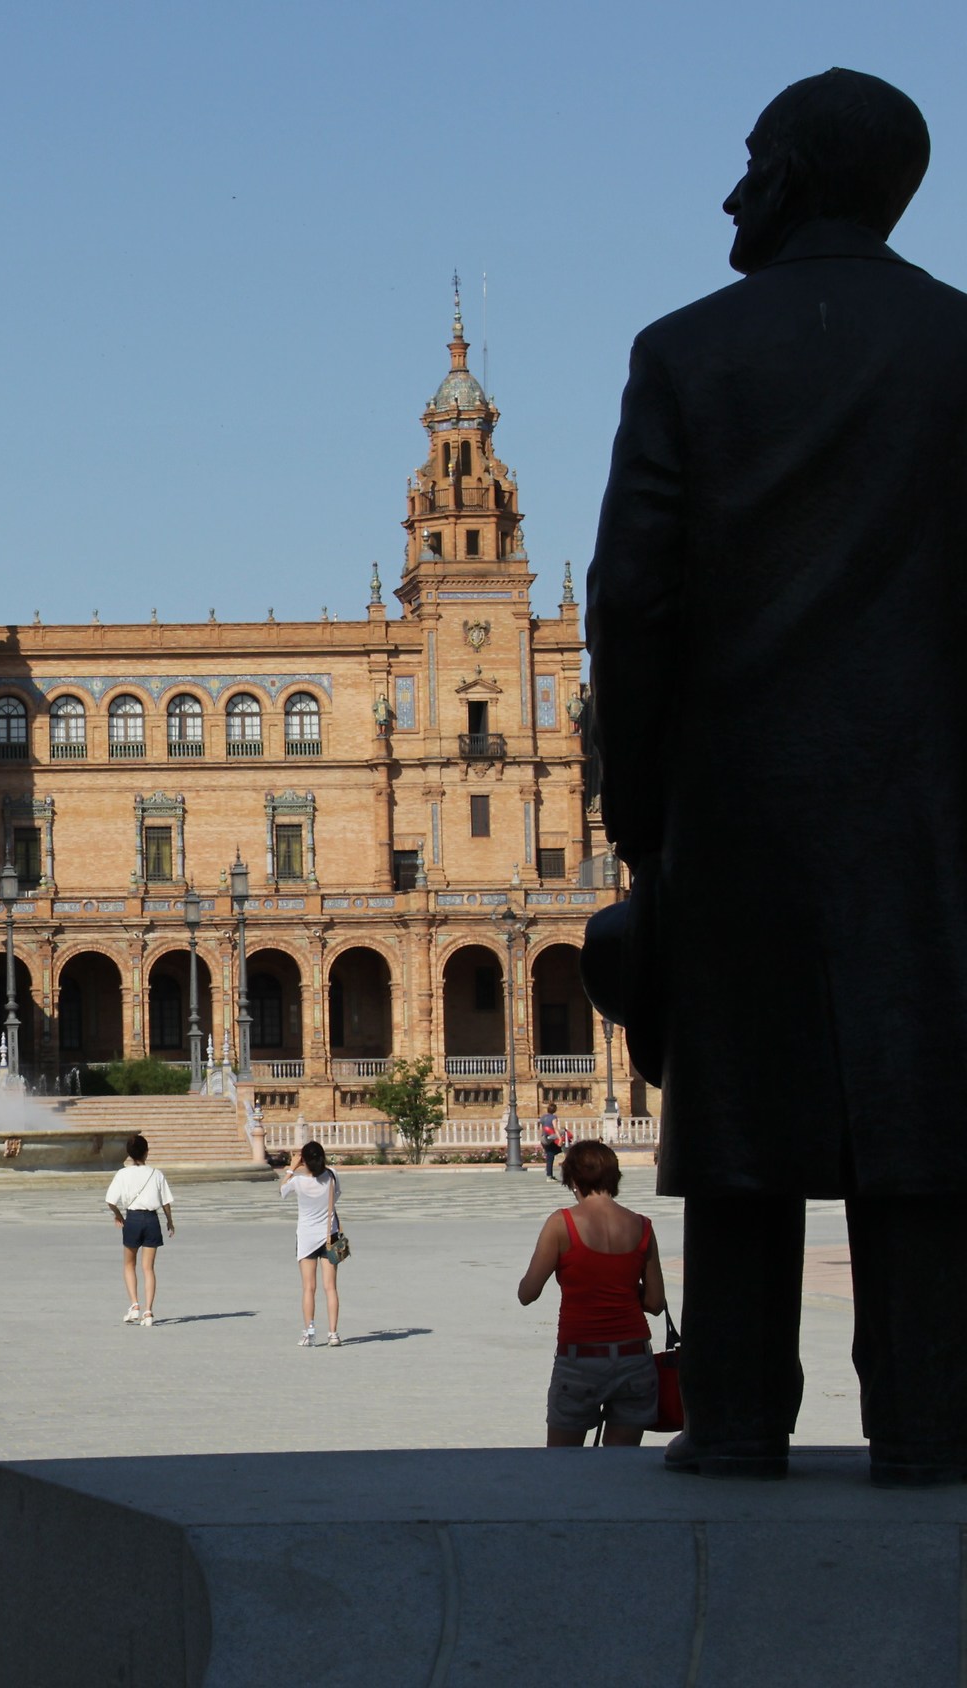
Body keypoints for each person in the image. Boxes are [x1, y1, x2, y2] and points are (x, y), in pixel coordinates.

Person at [586, 69, 967, 1484]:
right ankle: (932, 1418)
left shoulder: (687, 354)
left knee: (740, 1129)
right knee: (922, 1121)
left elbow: (632, 598)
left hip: (739, 810)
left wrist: (641, 813)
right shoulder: (959, 346)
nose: (733, 191)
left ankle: (737, 1418)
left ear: (800, 172)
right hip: (932, 813)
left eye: (751, 163)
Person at [518, 1141, 671, 1447]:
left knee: (563, 1466)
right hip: (634, 1358)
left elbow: (528, 1293)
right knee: (619, 1470)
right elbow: (655, 1303)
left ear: (572, 1179)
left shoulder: (562, 1224)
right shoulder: (642, 1226)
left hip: (581, 1359)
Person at [103, 1133, 175, 1327]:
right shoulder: (156, 1173)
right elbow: (166, 1202)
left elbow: (110, 1201)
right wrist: (170, 1221)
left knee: (128, 1264)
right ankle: (148, 1312)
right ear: (146, 1152)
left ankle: (134, 1305)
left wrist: (118, 1215)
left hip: (132, 1219)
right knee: (148, 1268)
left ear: (129, 1153)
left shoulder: (122, 1174)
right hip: (152, 1220)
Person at [279, 1140, 341, 1347]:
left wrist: (291, 1167)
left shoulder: (298, 1181)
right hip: (329, 1236)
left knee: (308, 1288)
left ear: (304, 1159)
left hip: (306, 1238)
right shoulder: (331, 1175)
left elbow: (281, 1191)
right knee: (330, 1288)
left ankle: (310, 1332)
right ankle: (333, 1334)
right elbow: (337, 1196)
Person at [538, 1107, 567, 1181]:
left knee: (550, 1155)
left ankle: (549, 1174)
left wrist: (541, 1138)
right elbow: (555, 1128)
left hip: (544, 1138)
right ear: (555, 1110)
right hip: (550, 1139)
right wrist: (560, 1138)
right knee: (551, 1154)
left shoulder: (543, 1117)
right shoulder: (553, 1117)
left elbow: (541, 1129)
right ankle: (549, 1175)